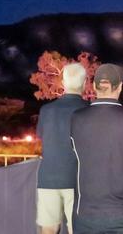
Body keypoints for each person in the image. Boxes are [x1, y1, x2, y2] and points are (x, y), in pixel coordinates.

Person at [70, 63, 123, 234]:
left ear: (95, 87)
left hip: (85, 213)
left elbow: (75, 149)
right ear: (119, 86)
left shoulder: (77, 118)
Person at [36, 63, 89, 234]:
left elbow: (42, 137)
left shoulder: (46, 110)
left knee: (49, 228)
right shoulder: (89, 110)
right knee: (77, 228)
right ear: (85, 82)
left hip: (47, 177)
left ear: (63, 82)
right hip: (78, 180)